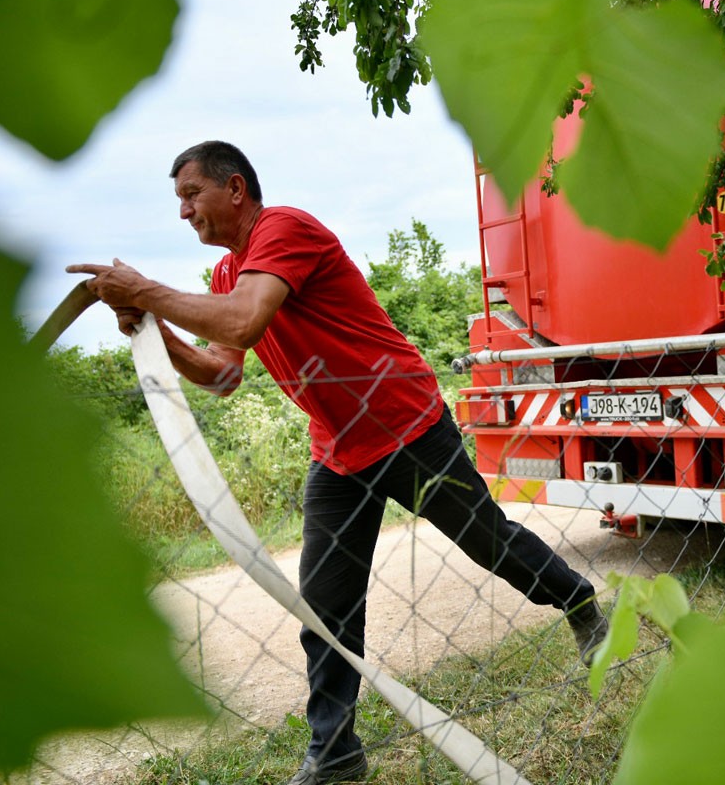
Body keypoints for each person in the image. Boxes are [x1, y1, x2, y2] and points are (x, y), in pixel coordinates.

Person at [68, 140, 607, 785]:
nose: (184, 212)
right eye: (178, 201)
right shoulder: (224, 276)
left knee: (488, 543)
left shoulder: (284, 229)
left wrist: (147, 291)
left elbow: (243, 323)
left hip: (406, 426)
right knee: (324, 604)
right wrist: (152, 330)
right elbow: (220, 373)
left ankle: (580, 604)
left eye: (191, 195)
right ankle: (335, 750)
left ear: (234, 189)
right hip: (339, 449)